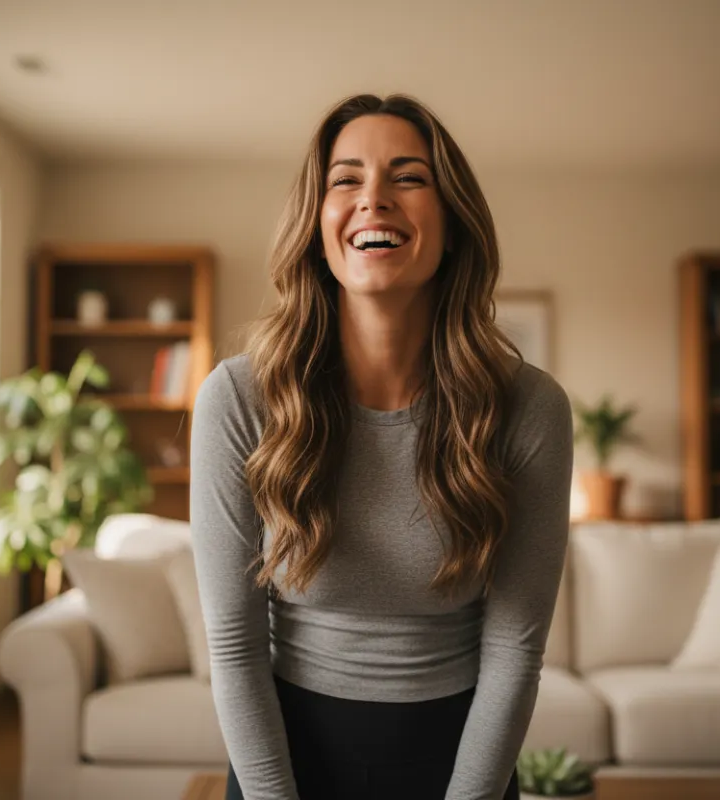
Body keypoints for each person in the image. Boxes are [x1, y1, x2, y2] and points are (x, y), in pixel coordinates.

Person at [189, 93, 574, 800]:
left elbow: (515, 648)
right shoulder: (238, 399)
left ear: (452, 223)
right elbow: (236, 645)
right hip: (285, 764)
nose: (375, 199)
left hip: (463, 767)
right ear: (316, 222)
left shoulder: (530, 408)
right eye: (346, 179)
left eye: (408, 177)